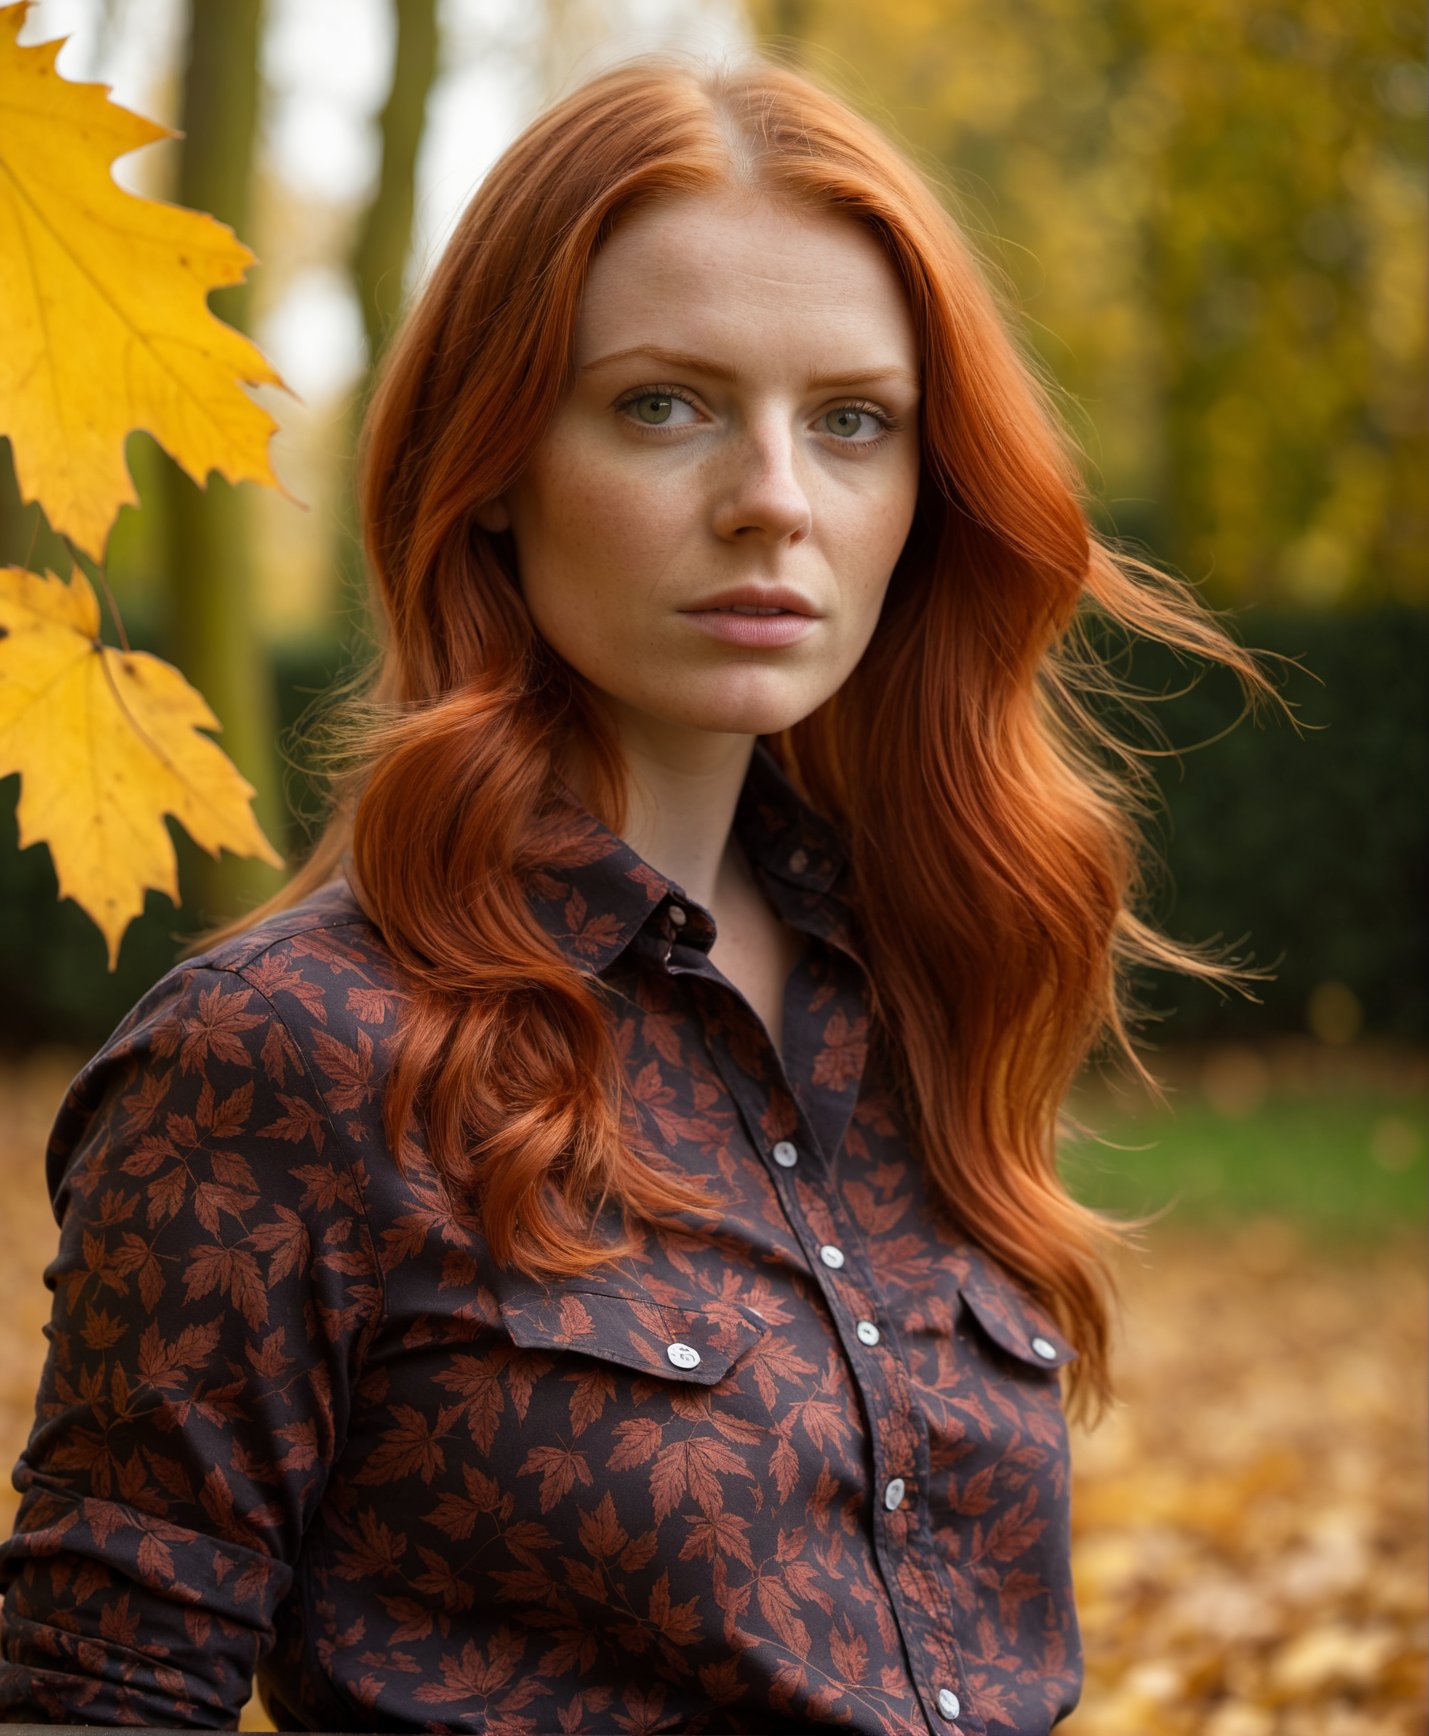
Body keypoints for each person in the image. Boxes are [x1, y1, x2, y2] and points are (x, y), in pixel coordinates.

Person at [0, 51, 1279, 1736]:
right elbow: (95, 1700)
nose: (775, 500)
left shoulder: (908, 992)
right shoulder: (285, 1058)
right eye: (662, 404)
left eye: (852, 421)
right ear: (496, 468)